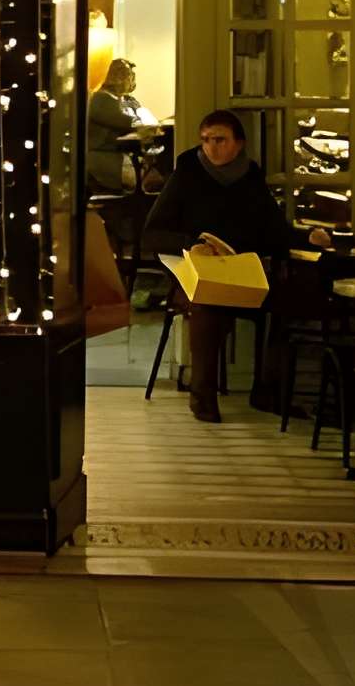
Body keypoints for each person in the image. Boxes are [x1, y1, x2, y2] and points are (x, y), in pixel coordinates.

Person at [146, 109, 326, 423]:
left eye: (219, 140)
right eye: (205, 141)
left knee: (285, 304)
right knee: (208, 306)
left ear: (238, 144)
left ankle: (268, 390)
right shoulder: (187, 173)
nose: (211, 148)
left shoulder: (250, 177)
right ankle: (203, 396)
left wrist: (308, 237)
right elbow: (153, 233)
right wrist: (192, 244)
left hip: (242, 274)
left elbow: (273, 231)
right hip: (197, 276)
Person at [84, 57, 155, 196]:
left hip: (130, 157)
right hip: (107, 160)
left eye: (129, 75)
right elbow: (127, 122)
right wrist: (144, 125)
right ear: (112, 76)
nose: (130, 79)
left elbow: (145, 120)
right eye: (126, 74)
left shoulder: (129, 101)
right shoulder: (101, 99)